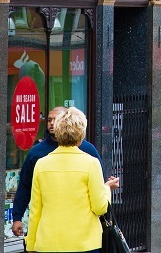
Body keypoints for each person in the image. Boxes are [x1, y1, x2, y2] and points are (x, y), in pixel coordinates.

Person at [25, 107, 119, 253]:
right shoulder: (91, 163)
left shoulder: (41, 164)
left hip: (48, 243)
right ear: (81, 134)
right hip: (83, 243)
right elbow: (100, 207)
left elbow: (35, 209)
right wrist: (106, 188)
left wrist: (31, 244)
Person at [11, 105, 103, 237]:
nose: (52, 123)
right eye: (49, 120)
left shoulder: (88, 150)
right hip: (49, 228)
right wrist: (17, 217)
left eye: (56, 119)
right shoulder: (37, 154)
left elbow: (98, 187)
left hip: (80, 229)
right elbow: (25, 187)